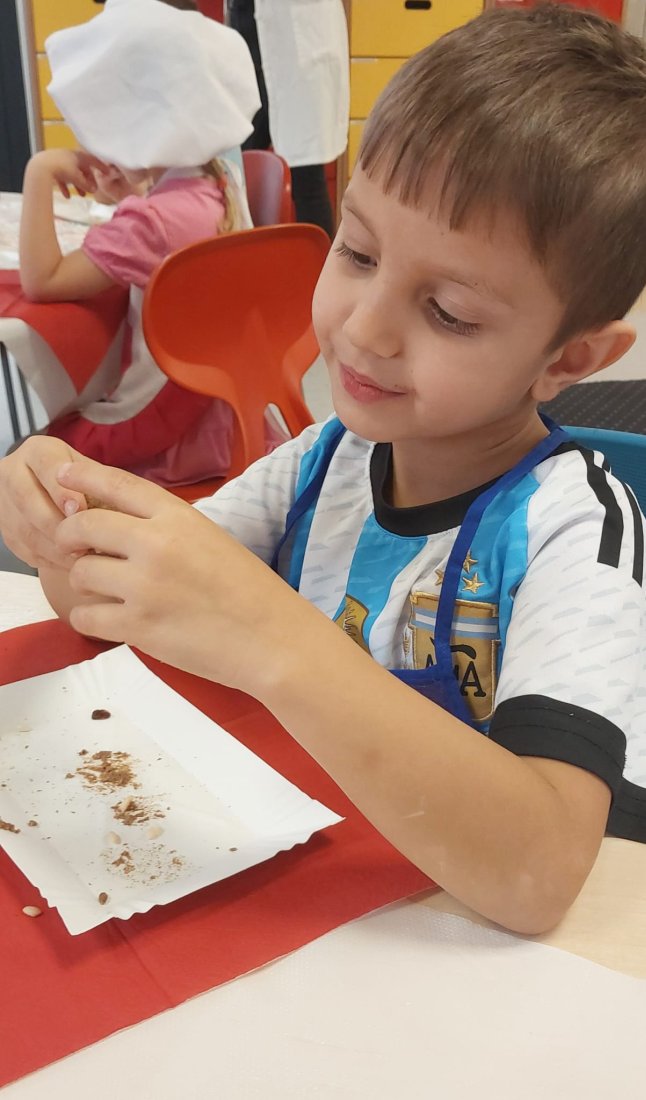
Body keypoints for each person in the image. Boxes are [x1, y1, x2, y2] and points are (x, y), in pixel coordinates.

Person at [2, 2, 646, 935]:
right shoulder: (322, 459)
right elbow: (110, 606)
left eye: (450, 312)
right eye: (357, 251)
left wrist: (274, 639)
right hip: (321, 889)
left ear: (570, 359)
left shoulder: (574, 532)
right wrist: (56, 521)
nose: (365, 328)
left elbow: (538, 876)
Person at [18, 0, 265, 486]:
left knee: (33, 447)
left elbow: (42, 281)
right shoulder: (221, 180)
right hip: (222, 410)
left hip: (163, 428)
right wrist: (132, 194)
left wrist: (38, 172)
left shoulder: (153, 221)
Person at [227, 0, 349, 237]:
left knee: (306, 177)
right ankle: (242, 255)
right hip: (249, 27)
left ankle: (321, 261)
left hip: (295, 42)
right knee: (235, 172)